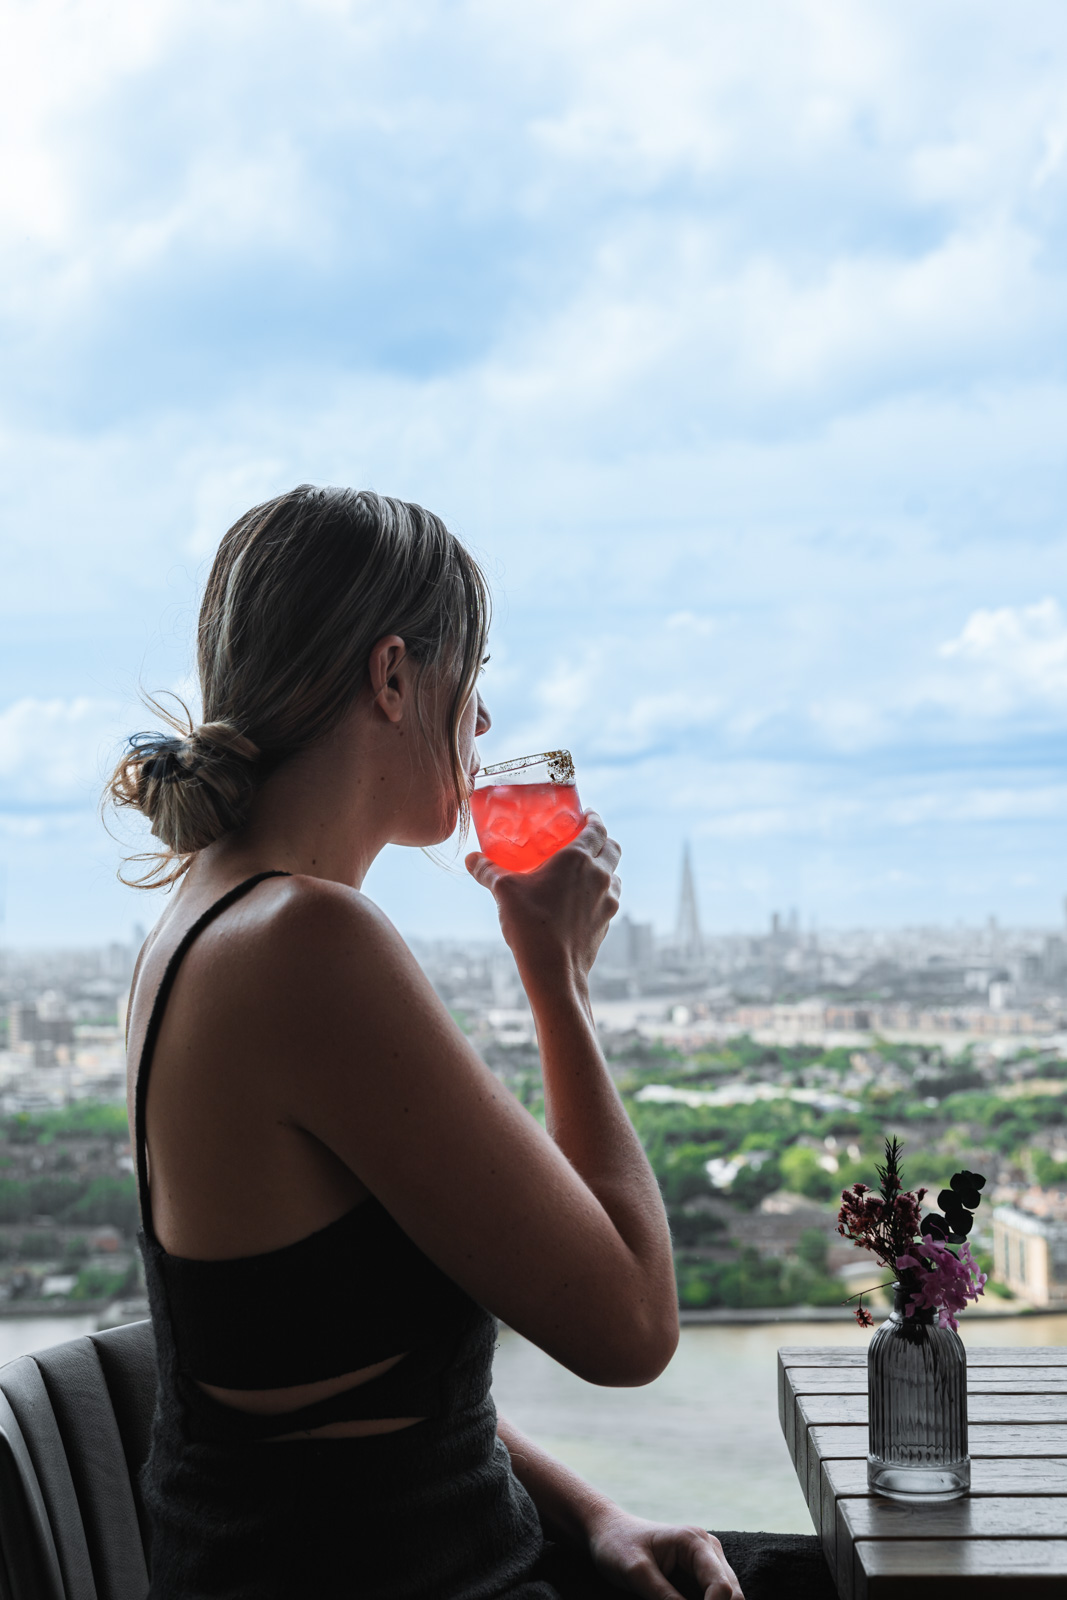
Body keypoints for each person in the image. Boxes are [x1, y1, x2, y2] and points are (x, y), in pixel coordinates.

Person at [110, 486, 832, 1600]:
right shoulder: (308, 938)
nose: (483, 723)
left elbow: (342, 1392)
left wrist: (596, 1513)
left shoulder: (201, 924)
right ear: (393, 678)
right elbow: (631, 1326)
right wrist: (560, 981)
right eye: (473, 678)